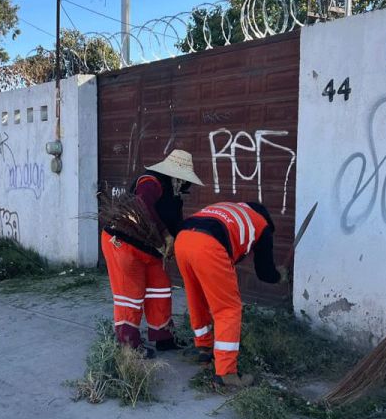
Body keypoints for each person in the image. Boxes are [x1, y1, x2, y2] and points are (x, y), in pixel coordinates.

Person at [102, 149, 204, 355]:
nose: (185, 186)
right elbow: (142, 205)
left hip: (150, 249)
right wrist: (165, 235)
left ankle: (163, 336)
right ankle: (128, 344)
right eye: (184, 180)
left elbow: (177, 224)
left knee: (160, 288)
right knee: (130, 294)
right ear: (176, 175)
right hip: (123, 242)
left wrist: (178, 244)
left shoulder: (175, 195)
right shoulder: (151, 181)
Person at [174, 201, 283, 388]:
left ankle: (204, 347)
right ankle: (226, 373)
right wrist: (280, 276)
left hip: (183, 240)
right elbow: (265, 272)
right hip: (208, 245)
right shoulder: (261, 225)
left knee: (196, 295)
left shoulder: (230, 209)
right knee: (228, 308)